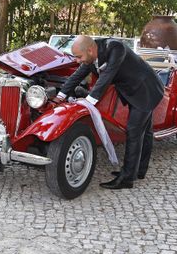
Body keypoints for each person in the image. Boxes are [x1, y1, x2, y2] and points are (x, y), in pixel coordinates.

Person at [57, 35, 164, 190]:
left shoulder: (115, 48)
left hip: (146, 88)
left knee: (134, 131)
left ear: (90, 50)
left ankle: (127, 179)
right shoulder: (91, 56)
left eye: (79, 57)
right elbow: (77, 76)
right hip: (134, 89)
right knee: (145, 132)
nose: (78, 61)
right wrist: (60, 96)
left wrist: (89, 101)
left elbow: (107, 76)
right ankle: (138, 171)